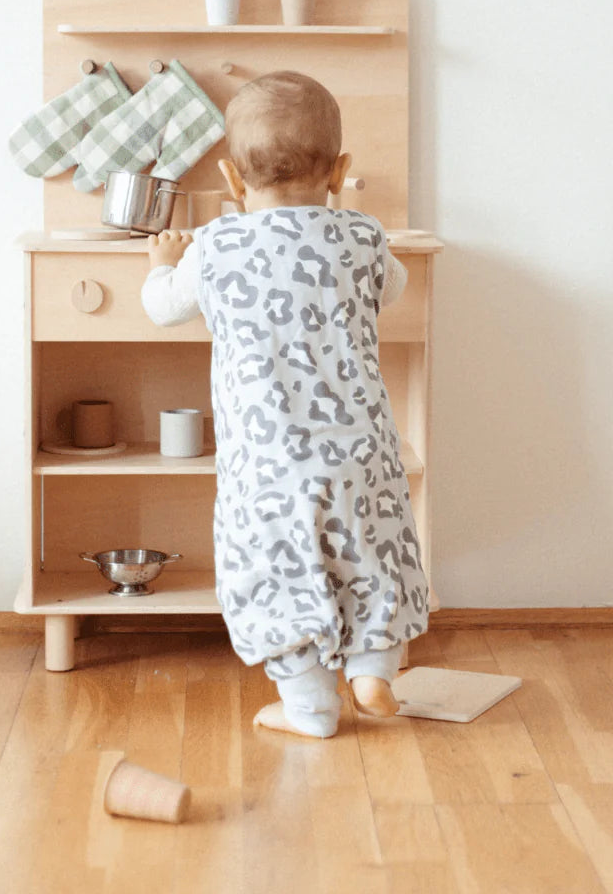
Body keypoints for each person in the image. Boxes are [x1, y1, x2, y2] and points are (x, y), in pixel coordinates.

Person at [141, 70, 429, 738]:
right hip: (362, 452)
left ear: (232, 182)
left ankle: (311, 707)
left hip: (268, 466)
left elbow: (162, 308)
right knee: (370, 553)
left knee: (278, 571)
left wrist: (161, 260)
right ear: (341, 171)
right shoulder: (360, 237)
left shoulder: (215, 246)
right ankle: (372, 669)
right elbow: (395, 287)